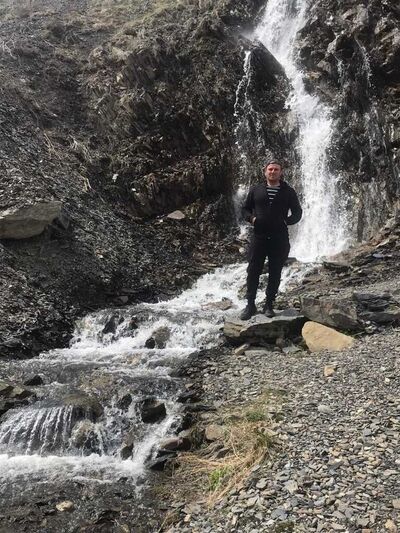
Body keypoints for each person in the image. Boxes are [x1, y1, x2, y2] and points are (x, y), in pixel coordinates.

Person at [240, 160, 302, 320]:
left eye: (276, 169)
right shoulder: (256, 190)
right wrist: (252, 219)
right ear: (265, 172)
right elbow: (245, 209)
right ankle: (250, 305)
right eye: (270, 169)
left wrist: (286, 221)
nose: (273, 172)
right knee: (253, 270)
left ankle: (269, 304)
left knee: (275, 271)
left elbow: (297, 212)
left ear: (281, 172)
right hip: (259, 236)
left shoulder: (288, 191)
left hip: (279, 237)